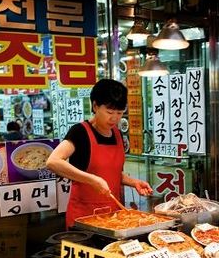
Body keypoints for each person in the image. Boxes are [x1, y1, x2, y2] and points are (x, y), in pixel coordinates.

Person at [46, 79, 153, 229]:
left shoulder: (117, 134)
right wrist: (92, 180)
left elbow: (112, 173)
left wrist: (133, 182)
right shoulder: (80, 132)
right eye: (110, 112)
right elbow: (53, 162)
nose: (115, 118)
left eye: (120, 113)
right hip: (83, 218)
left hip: (113, 216)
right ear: (95, 106)